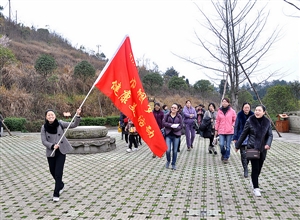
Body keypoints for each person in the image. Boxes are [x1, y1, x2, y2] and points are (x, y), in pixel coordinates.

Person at [41, 108, 81, 202]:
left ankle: (56, 193)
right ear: (46, 117)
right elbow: (43, 141)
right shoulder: (44, 127)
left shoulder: (60, 123)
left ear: (55, 115)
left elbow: (74, 124)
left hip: (61, 151)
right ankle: (61, 184)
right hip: (51, 151)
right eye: (49, 115)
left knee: (58, 172)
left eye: (52, 114)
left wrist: (78, 115)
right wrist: (52, 145)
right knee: (52, 171)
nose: (51, 116)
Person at [235, 105, 273, 197]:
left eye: (259, 110)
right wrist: (238, 145)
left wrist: (268, 144)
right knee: (255, 168)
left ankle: (253, 180)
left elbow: (270, 135)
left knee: (259, 168)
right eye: (256, 110)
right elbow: (244, 134)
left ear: (264, 112)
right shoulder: (250, 121)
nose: (257, 112)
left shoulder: (267, 122)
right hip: (252, 147)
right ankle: (256, 188)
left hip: (263, 148)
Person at [233, 102, 254, 178]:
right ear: (243, 108)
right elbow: (236, 126)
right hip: (241, 136)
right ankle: (245, 169)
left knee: (249, 154)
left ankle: (246, 164)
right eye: (245, 107)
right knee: (243, 154)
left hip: (250, 136)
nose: (247, 109)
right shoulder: (239, 115)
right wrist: (235, 137)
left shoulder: (253, 115)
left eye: (248, 107)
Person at [214, 98, 236, 163]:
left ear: (228, 103)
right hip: (221, 130)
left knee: (228, 146)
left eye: (226, 102)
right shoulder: (219, 111)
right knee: (221, 144)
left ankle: (226, 157)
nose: (224, 103)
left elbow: (235, 119)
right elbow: (217, 121)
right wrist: (216, 129)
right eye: (223, 102)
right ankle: (223, 154)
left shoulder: (232, 111)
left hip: (229, 131)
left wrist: (233, 125)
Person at [163, 103, 183, 170]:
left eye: (175, 108)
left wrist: (176, 127)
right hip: (168, 134)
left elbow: (181, 125)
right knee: (168, 150)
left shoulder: (179, 116)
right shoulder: (167, 115)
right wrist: (170, 125)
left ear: (177, 109)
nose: (173, 109)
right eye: (172, 107)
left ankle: (173, 163)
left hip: (176, 135)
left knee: (175, 151)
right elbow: (163, 122)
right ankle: (168, 161)